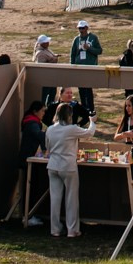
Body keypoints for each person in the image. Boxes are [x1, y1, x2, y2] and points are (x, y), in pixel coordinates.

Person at [43, 101, 91, 238]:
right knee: (71, 199)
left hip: (53, 165)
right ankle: (72, 230)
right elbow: (89, 133)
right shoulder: (71, 129)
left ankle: (55, 229)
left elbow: (48, 147)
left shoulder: (50, 129)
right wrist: (92, 121)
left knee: (55, 198)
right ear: (69, 115)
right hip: (68, 166)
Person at [71, 20, 104, 116]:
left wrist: (89, 48)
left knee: (88, 88)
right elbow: (73, 54)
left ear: (87, 28)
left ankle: (91, 108)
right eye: (79, 28)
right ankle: (84, 108)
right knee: (81, 88)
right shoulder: (76, 40)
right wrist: (72, 65)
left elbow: (99, 51)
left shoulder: (93, 38)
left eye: (82, 28)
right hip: (79, 66)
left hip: (89, 67)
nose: (81, 30)